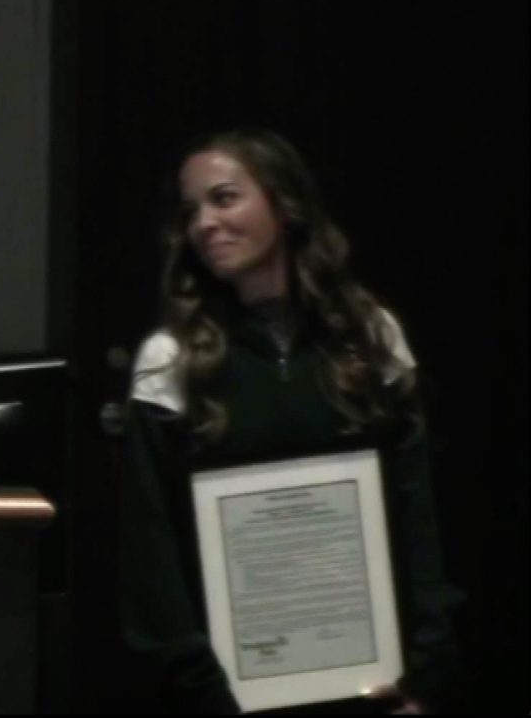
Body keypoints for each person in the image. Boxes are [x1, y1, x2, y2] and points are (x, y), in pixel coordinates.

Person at [118, 128, 463, 713]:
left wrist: (425, 676)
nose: (204, 224)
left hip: (373, 689)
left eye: (224, 199)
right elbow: (151, 561)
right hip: (227, 696)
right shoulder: (170, 362)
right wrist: (207, 694)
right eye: (191, 211)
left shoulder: (370, 338)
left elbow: (419, 518)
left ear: (284, 204)